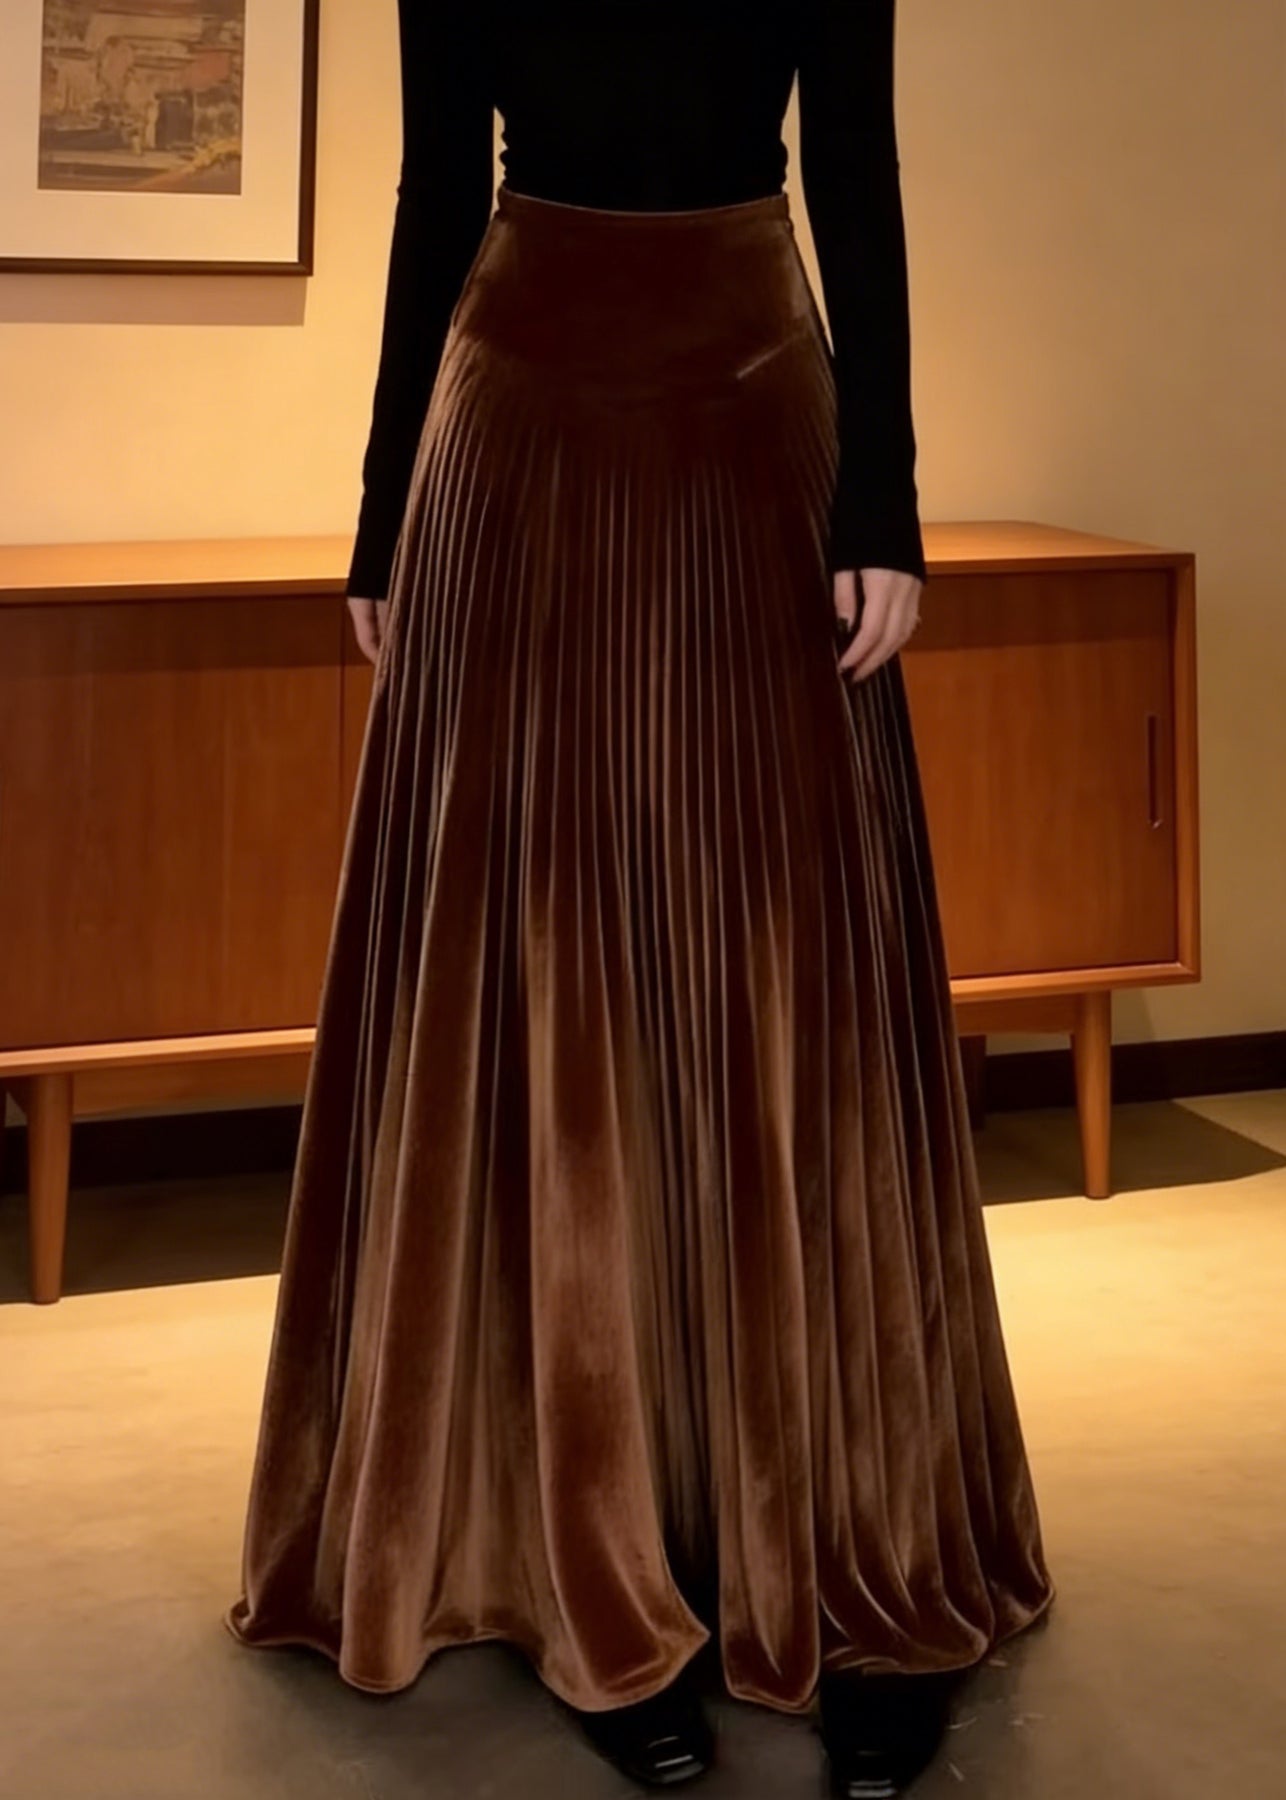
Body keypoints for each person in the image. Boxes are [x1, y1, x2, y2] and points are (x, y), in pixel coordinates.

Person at [226, 4, 1056, 1795]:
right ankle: (571, 1548)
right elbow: (436, 189)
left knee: (787, 962)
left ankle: (840, 1543)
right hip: (518, 416)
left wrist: (886, 500)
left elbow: (856, 171)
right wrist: (379, 512)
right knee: (541, 955)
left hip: (755, 409)